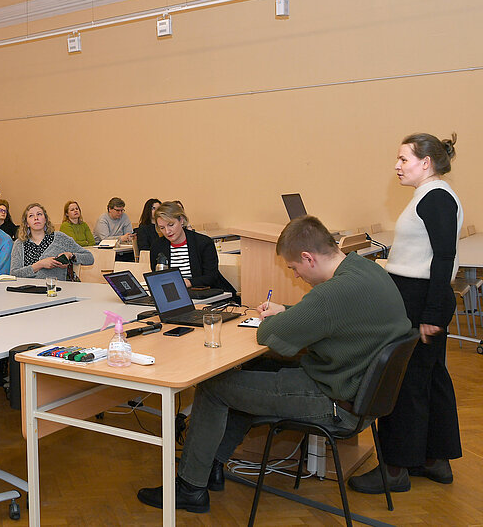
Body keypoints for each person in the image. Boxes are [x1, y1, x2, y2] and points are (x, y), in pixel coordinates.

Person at [137, 216, 413, 514]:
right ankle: (212, 467)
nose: (296, 276)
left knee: (214, 387)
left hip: (334, 404)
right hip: (359, 396)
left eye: (293, 268)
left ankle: (190, 488)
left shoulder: (331, 294)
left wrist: (282, 317)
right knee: (250, 372)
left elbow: (268, 333)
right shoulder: (365, 269)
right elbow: (331, 315)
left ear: (308, 258)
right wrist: (287, 310)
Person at [349, 133, 463, 494]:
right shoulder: (431, 194)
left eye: (403, 159)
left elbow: (443, 257)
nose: (396, 166)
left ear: (425, 163)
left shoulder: (436, 198)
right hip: (420, 297)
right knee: (428, 378)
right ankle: (434, 459)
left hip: (420, 301)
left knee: (403, 381)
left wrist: (432, 313)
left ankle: (395, 468)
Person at [149, 202, 236, 295]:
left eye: (171, 225)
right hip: (174, 294)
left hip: (205, 292)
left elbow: (211, 277)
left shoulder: (203, 243)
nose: (167, 231)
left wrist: (187, 283)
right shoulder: (157, 246)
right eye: (162, 228)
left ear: (181, 220)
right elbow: (157, 276)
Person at [10, 203, 94, 280]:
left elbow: (89, 258)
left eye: (39, 214)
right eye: (31, 216)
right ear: (27, 223)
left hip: (56, 289)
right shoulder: (19, 243)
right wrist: (39, 265)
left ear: (45, 219)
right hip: (28, 289)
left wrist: (70, 255)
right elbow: (14, 273)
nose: (36, 218)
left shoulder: (60, 238)